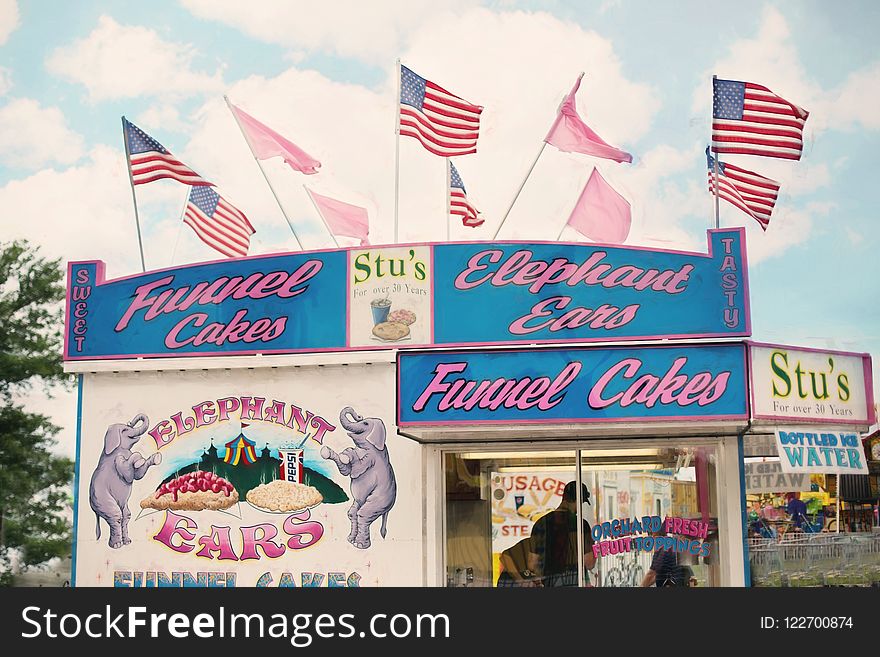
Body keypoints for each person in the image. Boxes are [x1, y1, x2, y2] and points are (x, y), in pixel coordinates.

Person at [528, 481, 596, 587]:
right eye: (581, 503)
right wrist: (596, 549)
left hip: (549, 584)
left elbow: (532, 564)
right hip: (575, 583)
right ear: (578, 500)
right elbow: (589, 563)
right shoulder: (581, 525)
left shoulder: (541, 523)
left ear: (564, 497)